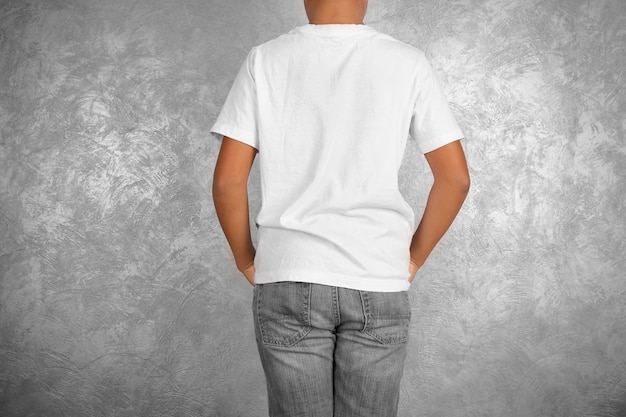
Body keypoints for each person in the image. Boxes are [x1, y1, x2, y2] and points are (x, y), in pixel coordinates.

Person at [211, 0, 470, 415]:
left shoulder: (265, 60)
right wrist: (414, 258)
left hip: (290, 272)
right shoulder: (408, 62)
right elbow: (455, 179)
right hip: (377, 276)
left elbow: (227, 182)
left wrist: (246, 260)